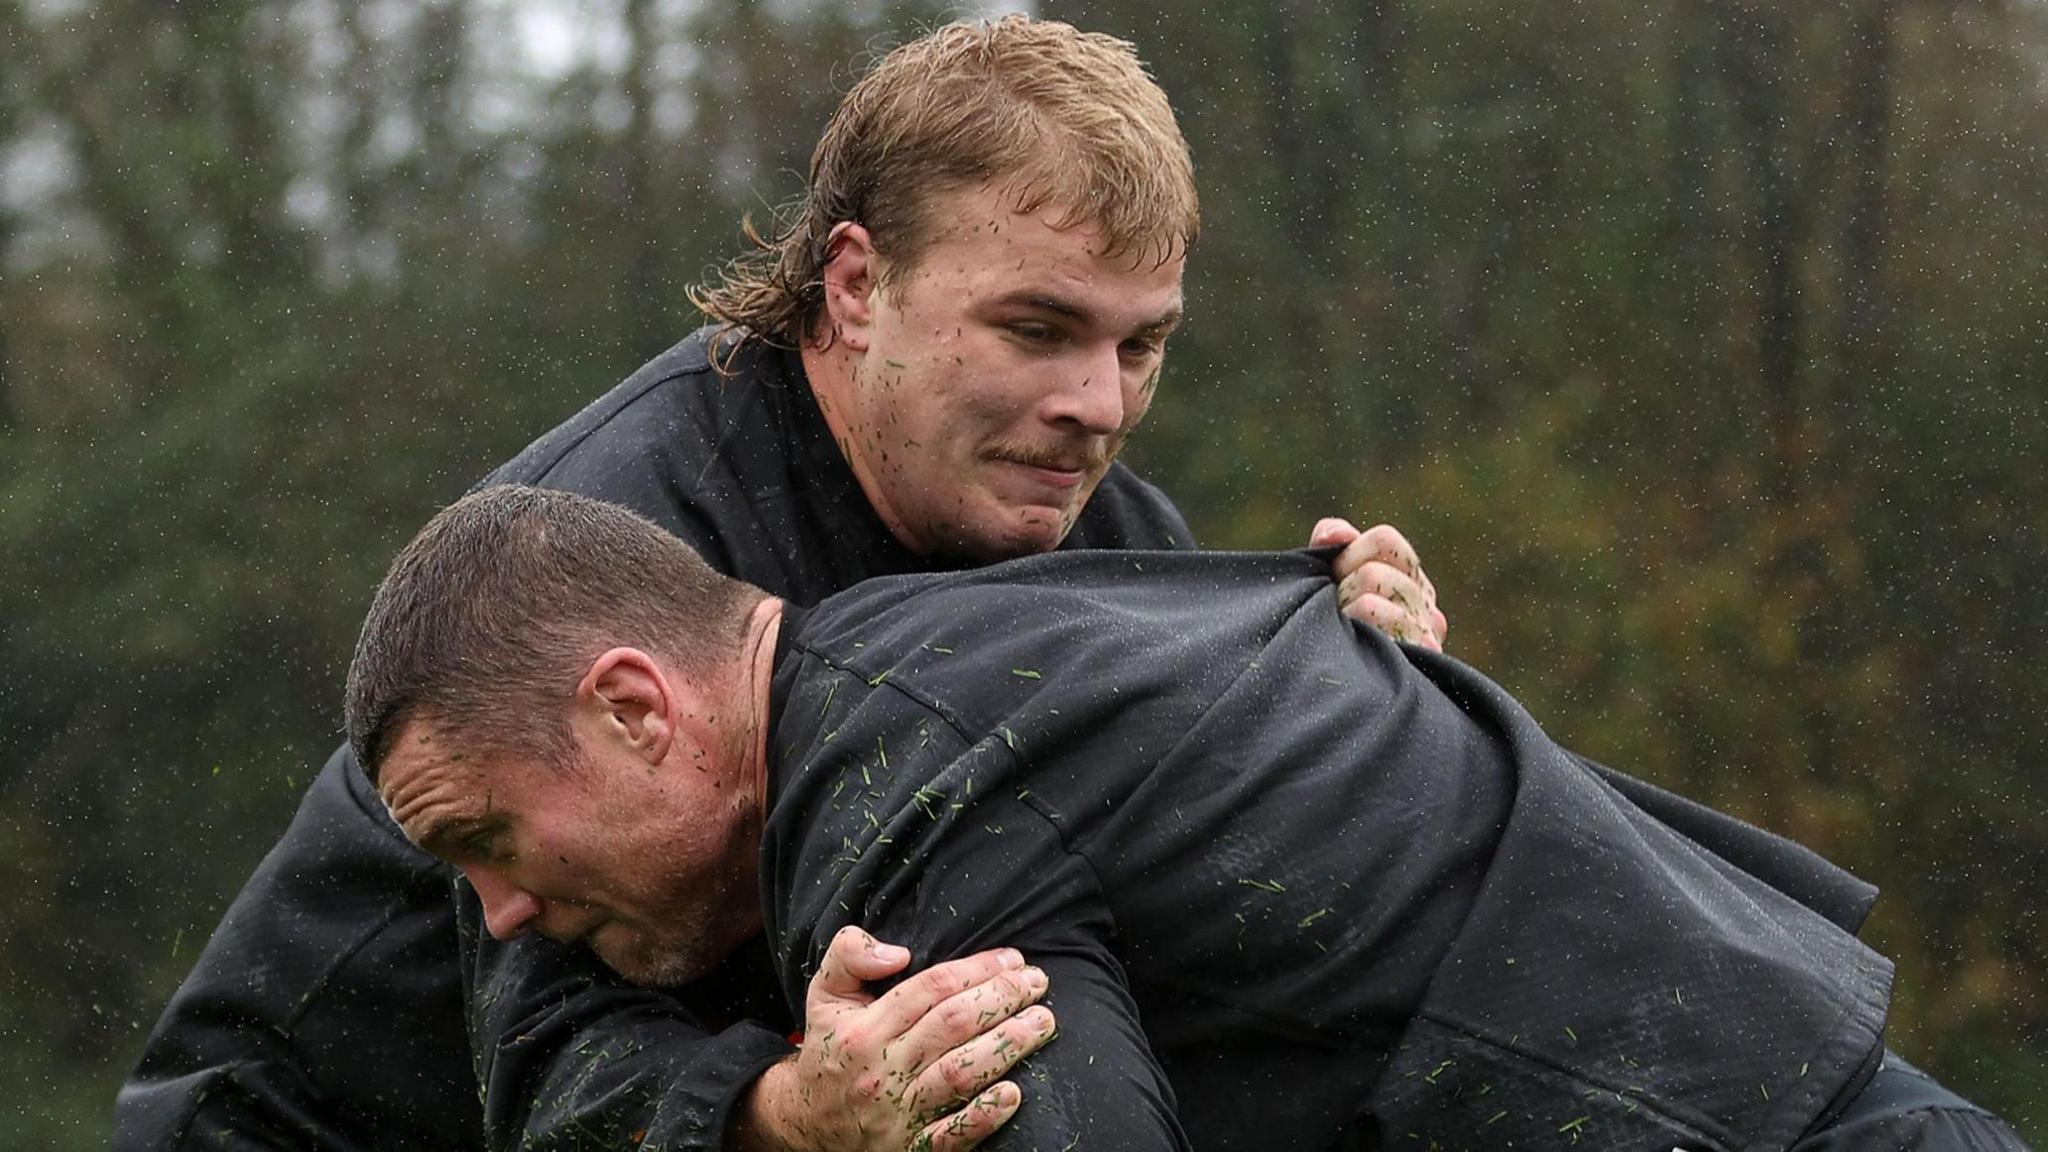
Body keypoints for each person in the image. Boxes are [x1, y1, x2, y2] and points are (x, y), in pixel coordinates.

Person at [115, 17, 1448, 1152]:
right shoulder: (600, 555)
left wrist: (1366, 688)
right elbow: (548, 1057)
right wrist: (785, 1114)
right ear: (858, 284)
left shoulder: (1104, 532)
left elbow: (1197, 893)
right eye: (1035, 330)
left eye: (1141, 345)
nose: (1096, 405)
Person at [353, 485, 2032, 1152]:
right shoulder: (946, 653)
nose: (497, 921)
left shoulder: (900, 778)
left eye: (486, 845)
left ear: (637, 709)